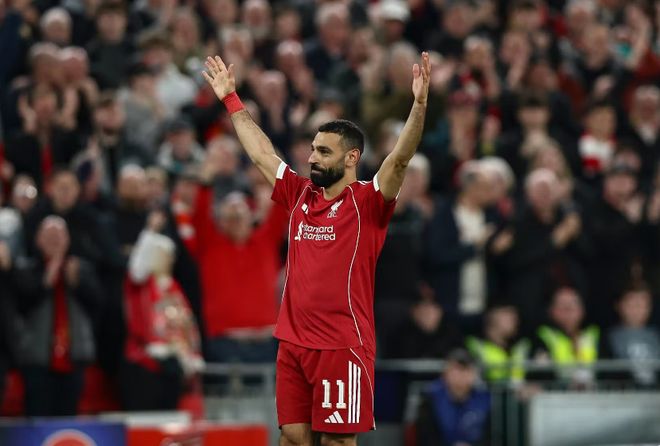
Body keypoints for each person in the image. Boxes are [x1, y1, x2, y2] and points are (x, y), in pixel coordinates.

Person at [202, 50, 430, 446]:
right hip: (293, 343)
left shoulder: (368, 202)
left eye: (324, 152)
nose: (311, 158)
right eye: (312, 149)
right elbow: (261, 153)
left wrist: (420, 105)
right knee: (292, 438)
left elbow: (399, 160)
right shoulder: (299, 195)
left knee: (336, 442)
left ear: (352, 157)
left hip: (342, 345)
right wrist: (231, 99)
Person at [414, 349, 491, 446]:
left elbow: (490, 437)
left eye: (466, 370)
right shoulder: (430, 397)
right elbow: (425, 437)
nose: (461, 376)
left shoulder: (484, 398)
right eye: (456, 370)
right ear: (445, 373)